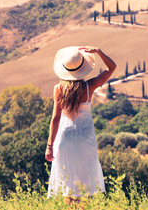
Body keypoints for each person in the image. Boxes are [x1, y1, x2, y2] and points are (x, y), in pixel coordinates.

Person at [45, 46, 116, 204]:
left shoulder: (59, 89)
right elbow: (112, 67)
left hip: (65, 138)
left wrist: (50, 145)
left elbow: (55, 118)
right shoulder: (89, 86)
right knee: (85, 183)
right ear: (82, 67)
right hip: (85, 139)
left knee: (67, 183)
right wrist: (99, 51)